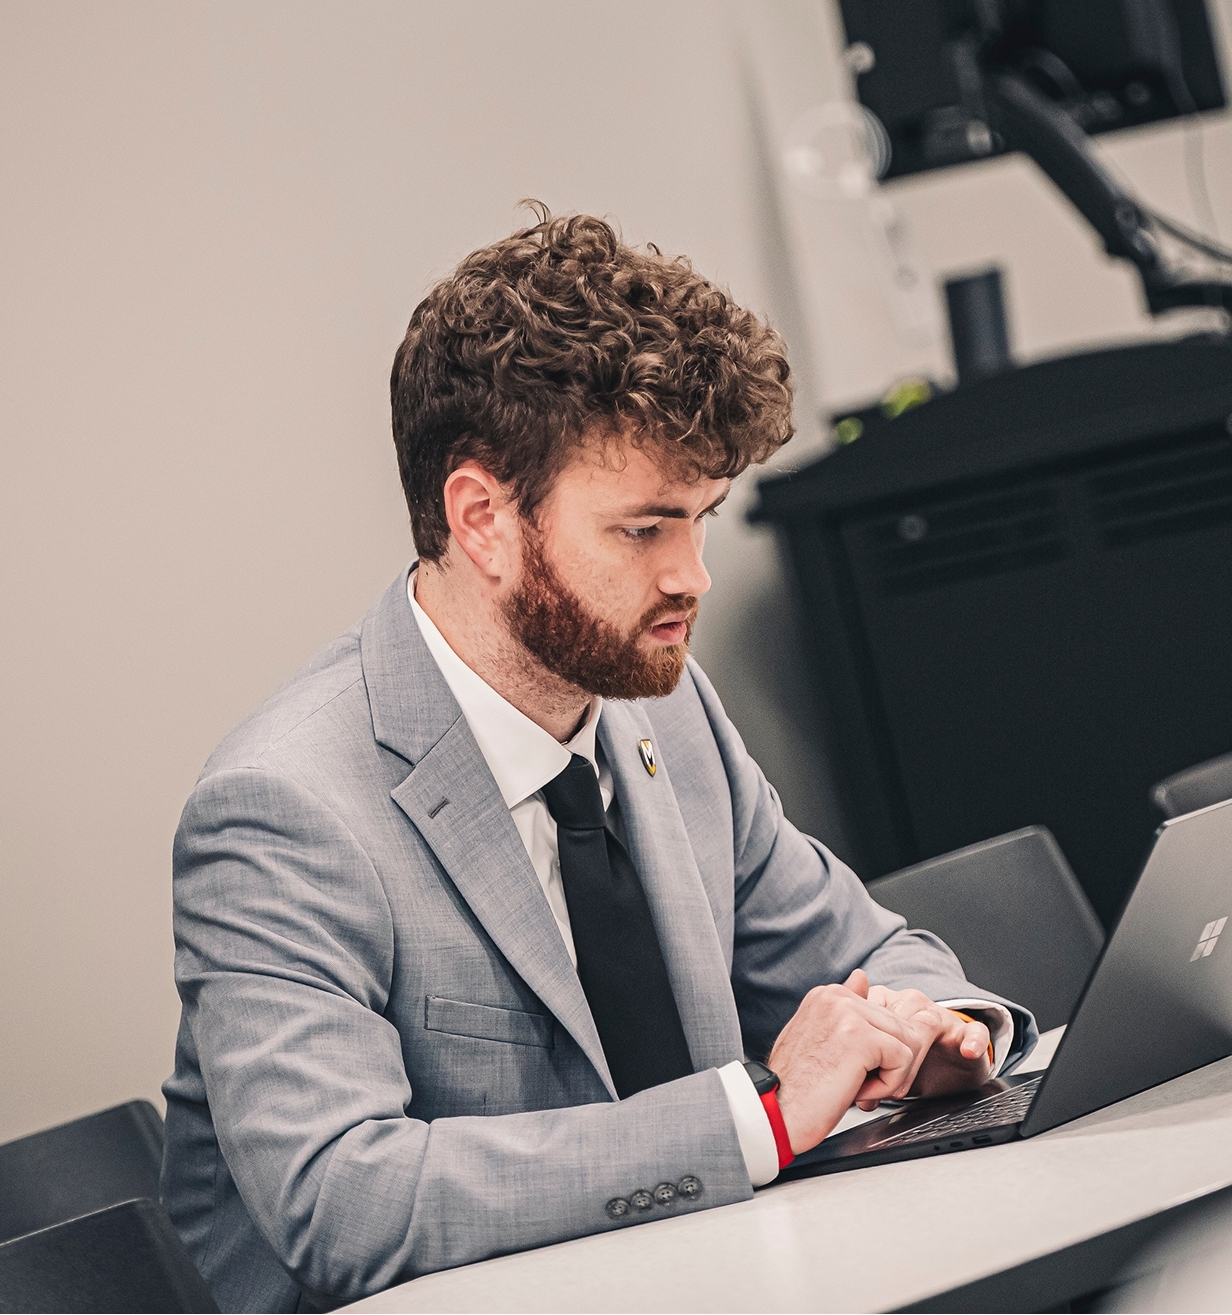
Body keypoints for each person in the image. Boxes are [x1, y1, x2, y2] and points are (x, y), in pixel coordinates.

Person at [161, 209, 1036, 1313]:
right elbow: (345, 1199)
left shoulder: (659, 710)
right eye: (644, 529)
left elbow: (870, 951)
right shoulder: (282, 805)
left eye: (702, 520)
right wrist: (759, 1114)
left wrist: (936, 1035)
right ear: (480, 517)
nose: (692, 578)